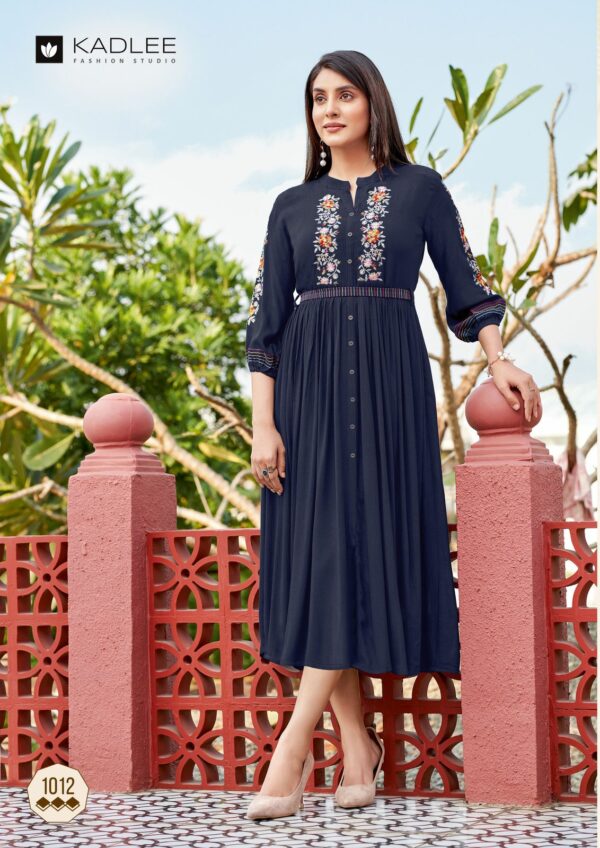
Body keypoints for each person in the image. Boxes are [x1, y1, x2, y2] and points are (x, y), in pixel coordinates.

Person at [244, 50, 541, 820]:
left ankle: (292, 749)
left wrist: (499, 360)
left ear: (373, 102)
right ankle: (357, 746)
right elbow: (265, 327)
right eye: (318, 98)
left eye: (344, 95)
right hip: (307, 398)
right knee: (323, 560)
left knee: (356, 549)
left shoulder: (419, 190)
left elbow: (466, 285)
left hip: (388, 389)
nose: (329, 109)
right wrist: (263, 426)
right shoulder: (290, 205)